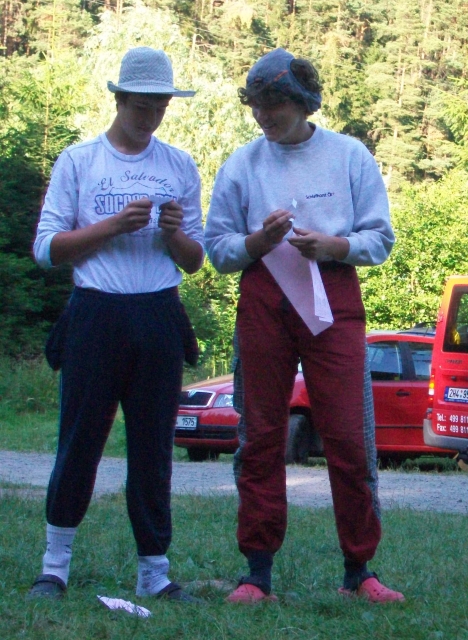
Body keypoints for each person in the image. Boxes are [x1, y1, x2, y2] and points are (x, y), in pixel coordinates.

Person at [205, 48, 405, 604]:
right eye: (255, 105)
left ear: (303, 103)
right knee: (261, 434)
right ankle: (257, 574)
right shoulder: (242, 164)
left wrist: (334, 245)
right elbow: (217, 249)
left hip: (333, 295)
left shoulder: (349, 155)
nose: (263, 116)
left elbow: (380, 238)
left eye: (273, 105)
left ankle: (359, 571)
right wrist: (257, 241)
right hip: (263, 297)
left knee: (347, 434)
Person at [28, 47, 204, 603]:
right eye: (142, 105)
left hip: (159, 313)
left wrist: (173, 233)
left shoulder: (179, 165)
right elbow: (46, 250)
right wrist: (111, 225)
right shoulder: (79, 161)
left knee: (153, 447)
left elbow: (195, 260)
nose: (151, 116)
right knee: (80, 439)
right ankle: (54, 567)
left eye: (160, 106)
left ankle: (154, 572)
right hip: (95, 312)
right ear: (120, 99)